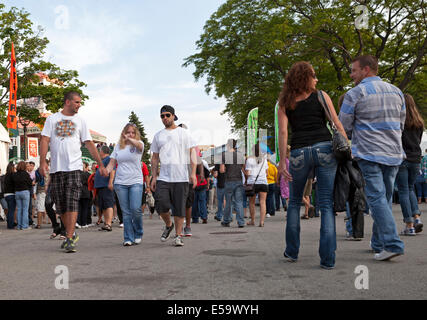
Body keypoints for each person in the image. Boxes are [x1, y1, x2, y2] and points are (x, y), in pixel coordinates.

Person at [277, 61, 347, 269]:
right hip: (325, 149)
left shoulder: (284, 101)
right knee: (325, 204)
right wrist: (346, 147)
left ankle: (292, 251)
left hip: (298, 153)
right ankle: (327, 259)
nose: (316, 79)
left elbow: (283, 132)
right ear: (306, 77)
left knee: (294, 201)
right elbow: (336, 122)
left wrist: (282, 161)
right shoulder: (322, 96)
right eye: (313, 75)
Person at [339, 55, 405, 261]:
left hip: (369, 152)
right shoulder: (397, 92)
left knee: (376, 198)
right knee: (383, 199)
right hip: (393, 152)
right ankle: (378, 243)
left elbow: (344, 127)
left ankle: (393, 243)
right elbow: (401, 123)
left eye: (354, 70)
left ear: (366, 70)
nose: (351, 75)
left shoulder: (355, 94)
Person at [39, 91, 107, 253]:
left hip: (74, 168)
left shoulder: (80, 120)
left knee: (71, 201)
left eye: (80, 102)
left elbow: (89, 143)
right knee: (60, 205)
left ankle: (69, 238)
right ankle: (71, 230)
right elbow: (45, 140)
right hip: (56, 169)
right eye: (77, 102)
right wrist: (42, 162)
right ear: (68, 102)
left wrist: (100, 164)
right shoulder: (52, 119)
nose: (79, 105)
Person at [150, 105, 197, 247]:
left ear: (174, 116)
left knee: (179, 208)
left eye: (167, 115)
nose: (165, 118)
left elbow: (192, 153)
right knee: (161, 205)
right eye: (162, 116)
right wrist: (153, 176)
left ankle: (178, 235)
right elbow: (154, 158)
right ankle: (168, 224)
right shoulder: (158, 135)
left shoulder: (184, 133)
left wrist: (193, 174)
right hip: (164, 177)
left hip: (181, 177)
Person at [106, 123, 144, 246]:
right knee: (126, 212)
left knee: (135, 209)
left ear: (136, 134)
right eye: (128, 132)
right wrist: (105, 171)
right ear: (124, 133)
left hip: (136, 181)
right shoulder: (118, 147)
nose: (130, 134)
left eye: (133, 132)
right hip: (121, 183)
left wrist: (130, 140)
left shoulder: (139, 145)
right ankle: (128, 237)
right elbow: (112, 163)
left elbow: (138, 145)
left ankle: (138, 232)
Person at [395, 94, 424, 235]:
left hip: (402, 158)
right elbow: (417, 141)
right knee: (410, 188)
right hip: (416, 158)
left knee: (403, 191)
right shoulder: (419, 122)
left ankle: (409, 225)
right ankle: (416, 217)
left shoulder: (399, 120)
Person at [220, 139, 246, 228]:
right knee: (239, 202)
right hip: (238, 180)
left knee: (228, 202)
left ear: (228, 145)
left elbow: (222, 170)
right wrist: (245, 180)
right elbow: (244, 169)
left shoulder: (224, 155)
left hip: (229, 181)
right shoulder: (240, 155)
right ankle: (241, 222)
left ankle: (226, 220)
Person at [245, 143, 268, 227]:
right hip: (263, 182)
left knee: (252, 202)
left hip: (252, 183)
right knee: (263, 202)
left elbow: (248, 173)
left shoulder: (249, 160)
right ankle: (261, 221)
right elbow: (267, 173)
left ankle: (253, 220)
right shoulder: (264, 160)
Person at [95, 146, 116, 232]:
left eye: (99, 151)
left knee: (108, 204)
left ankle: (109, 224)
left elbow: (112, 171)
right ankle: (106, 223)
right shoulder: (102, 161)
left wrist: (110, 182)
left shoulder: (109, 159)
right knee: (103, 206)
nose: (99, 152)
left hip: (106, 185)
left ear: (103, 151)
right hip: (100, 186)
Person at [12, 161, 33, 230]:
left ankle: (19, 226)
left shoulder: (15, 174)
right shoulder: (26, 174)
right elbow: (30, 183)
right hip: (25, 192)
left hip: (17, 192)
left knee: (19, 209)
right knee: (25, 209)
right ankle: (24, 226)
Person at [78, 162, 92, 228]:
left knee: (80, 208)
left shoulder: (77, 174)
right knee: (85, 208)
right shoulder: (88, 175)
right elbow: (91, 184)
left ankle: (79, 222)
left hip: (79, 192)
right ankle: (84, 223)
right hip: (86, 192)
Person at [4, 162, 16, 229]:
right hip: (11, 194)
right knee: (11, 210)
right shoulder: (12, 175)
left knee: (9, 210)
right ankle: (10, 225)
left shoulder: (6, 175)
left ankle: (9, 223)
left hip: (6, 194)